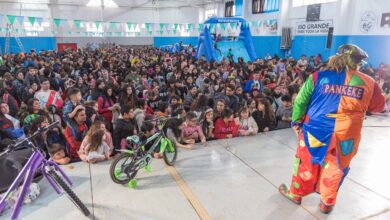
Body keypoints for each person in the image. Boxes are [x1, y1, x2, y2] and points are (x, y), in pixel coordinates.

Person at [279, 45, 385, 214]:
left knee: (306, 162)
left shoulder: (318, 77)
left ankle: (296, 194)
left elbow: (299, 101)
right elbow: (378, 107)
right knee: (337, 166)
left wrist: (296, 122)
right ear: (357, 62)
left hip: (314, 131)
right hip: (347, 135)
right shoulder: (369, 82)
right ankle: (326, 203)